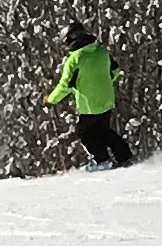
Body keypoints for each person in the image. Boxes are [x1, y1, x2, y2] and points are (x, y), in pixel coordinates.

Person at [47, 23, 131, 168]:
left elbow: (65, 86)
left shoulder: (75, 59)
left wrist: (50, 99)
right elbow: (115, 71)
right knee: (103, 130)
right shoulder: (101, 52)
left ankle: (102, 161)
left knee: (85, 133)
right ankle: (124, 156)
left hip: (89, 105)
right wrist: (101, 83)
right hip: (106, 100)